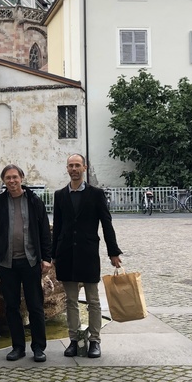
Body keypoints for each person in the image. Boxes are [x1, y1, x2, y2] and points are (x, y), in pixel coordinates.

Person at [52, 153, 122, 359]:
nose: (73, 169)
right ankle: (73, 340)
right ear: (67, 169)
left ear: (84, 168)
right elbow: (57, 227)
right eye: (70, 165)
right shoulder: (60, 195)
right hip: (66, 253)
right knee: (71, 301)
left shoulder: (96, 194)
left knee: (93, 300)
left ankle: (94, 341)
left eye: (77, 165)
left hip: (88, 253)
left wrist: (113, 252)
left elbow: (106, 224)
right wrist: (53, 254)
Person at [0, 164, 52, 362]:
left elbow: (43, 231)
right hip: (7, 263)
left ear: (22, 178)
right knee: (12, 306)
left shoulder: (33, 201)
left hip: (31, 261)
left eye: (15, 177)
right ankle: (18, 347)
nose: (12, 181)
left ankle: (39, 347)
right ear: (4, 181)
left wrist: (46, 258)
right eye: (8, 178)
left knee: (35, 305)